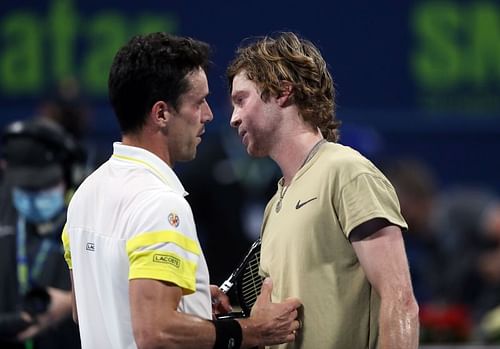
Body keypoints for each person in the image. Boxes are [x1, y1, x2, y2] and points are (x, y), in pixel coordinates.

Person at [62, 32, 301, 349]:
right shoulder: (161, 205)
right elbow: (155, 332)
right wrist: (253, 331)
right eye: (198, 102)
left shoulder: (85, 194)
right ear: (161, 114)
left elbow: (87, 309)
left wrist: (193, 304)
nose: (209, 116)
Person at [227, 32, 419, 349]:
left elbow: (400, 301)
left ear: (282, 91)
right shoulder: (274, 205)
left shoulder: (346, 172)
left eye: (241, 99)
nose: (234, 118)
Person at [0, 118, 82, 348]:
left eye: (45, 185)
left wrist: (70, 303)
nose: (34, 198)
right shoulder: (4, 207)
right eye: (24, 189)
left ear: (69, 176)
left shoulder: (93, 212)